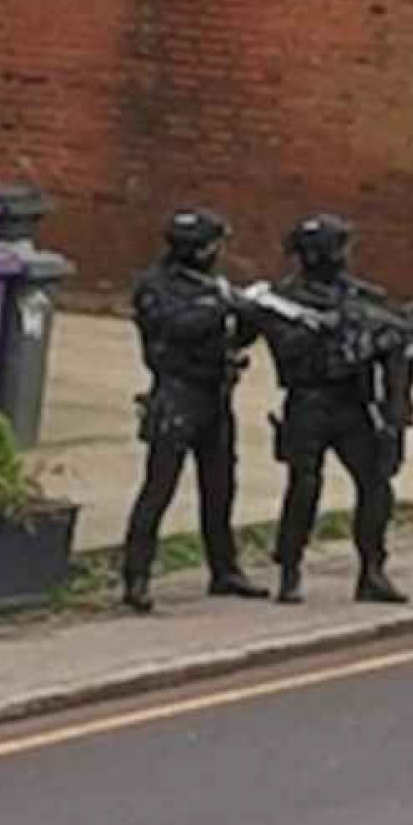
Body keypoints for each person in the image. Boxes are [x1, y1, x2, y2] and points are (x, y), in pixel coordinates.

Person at [258, 214, 413, 607]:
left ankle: (372, 570)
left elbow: (396, 349)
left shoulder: (362, 298)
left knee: (375, 483)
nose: (344, 257)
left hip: (353, 404)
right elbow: (283, 345)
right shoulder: (283, 301)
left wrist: (395, 405)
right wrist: (323, 330)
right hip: (308, 401)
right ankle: (290, 569)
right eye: (337, 249)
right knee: (304, 486)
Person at [122, 209, 269, 614]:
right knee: (159, 489)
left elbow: (236, 336)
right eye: (214, 246)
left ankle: (224, 569)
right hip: (176, 395)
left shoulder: (212, 285)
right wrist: (221, 306)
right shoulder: (157, 286)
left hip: (215, 394)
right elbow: (174, 327)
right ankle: (136, 576)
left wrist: (250, 315)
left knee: (220, 487)